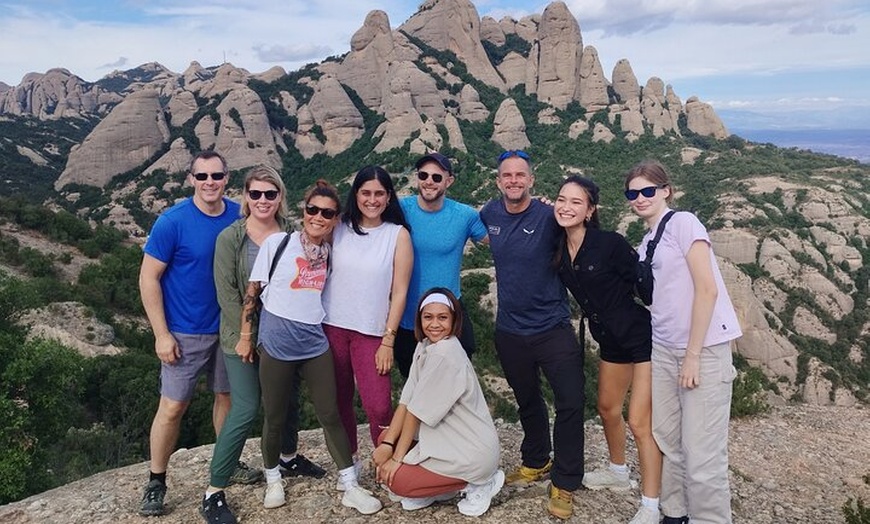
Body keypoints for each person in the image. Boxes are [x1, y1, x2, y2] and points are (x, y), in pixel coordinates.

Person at [238, 180, 382, 515]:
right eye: (312, 209)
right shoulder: (279, 243)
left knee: (330, 413)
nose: (318, 217)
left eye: (327, 213)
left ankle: (349, 483)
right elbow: (253, 291)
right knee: (274, 417)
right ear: (303, 210)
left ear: (335, 219)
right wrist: (246, 336)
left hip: (314, 343)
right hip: (275, 344)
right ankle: (274, 478)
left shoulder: (330, 252)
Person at [202, 166, 326, 524]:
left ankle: (287, 457)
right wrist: (246, 337)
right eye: (255, 194)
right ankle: (214, 491)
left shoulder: (292, 234)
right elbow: (227, 294)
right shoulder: (231, 238)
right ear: (245, 196)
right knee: (245, 407)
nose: (262, 201)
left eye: (270, 194)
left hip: (281, 337)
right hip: (238, 339)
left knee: (286, 400)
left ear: (280, 197)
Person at [624, 161, 742, 524]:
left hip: (701, 351)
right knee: (668, 440)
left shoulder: (684, 223)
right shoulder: (646, 242)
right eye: (633, 193)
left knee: (702, 454)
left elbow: (707, 288)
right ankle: (674, 513)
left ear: (665, 191)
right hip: (663, 349)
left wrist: (692, 355)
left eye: (647, 190)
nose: (640, 198)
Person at [479, 150, 586, 520]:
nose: (513, 180)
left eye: (520, 175)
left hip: (552, 327)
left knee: (570, 402)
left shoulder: (547, 215)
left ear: (531, 180)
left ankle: (565, 482)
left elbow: (583, 235)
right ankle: (537, 459)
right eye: (506, 175)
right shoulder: (489, 214)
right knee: (527, 400)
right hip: (510, 330)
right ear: (498, 181)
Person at [138, 151, 246, 516]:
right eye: (202, 176)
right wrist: (161, 334)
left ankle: (227, 460)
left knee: (226, 398)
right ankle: (156, 480)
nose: (210, 182)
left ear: (227, 177)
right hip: (184, 330)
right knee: (172, 407)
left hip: (228, 327)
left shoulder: (238, 214)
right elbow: (148, 278)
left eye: (216, 175)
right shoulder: (173, 222)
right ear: (191, 179)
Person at [553, 176, 662, 524]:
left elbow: (647, 286)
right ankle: (618, 471)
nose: (566, 207)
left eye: (576, 202)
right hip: (609, 340)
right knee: (607, 407)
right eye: (561, 200)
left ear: (590, 210)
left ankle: (651, 504)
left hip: (639, 338)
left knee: (639, 422)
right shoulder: (558, 247)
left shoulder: (610, 244)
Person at [373, 288, 504, 517]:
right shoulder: (425, 346)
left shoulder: (446, 354)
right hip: (447, 439)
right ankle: (439, 488)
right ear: (420, 319)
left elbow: (416, 413)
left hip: (470, 450)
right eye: (428, 317)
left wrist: (395, 460)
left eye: (442, 318)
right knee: (385, 439)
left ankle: (479, 483)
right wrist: (387, 445)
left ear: (454, 320)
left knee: (398, 482)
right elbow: (406, 402)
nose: (435, 324)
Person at [321, 165, 413, 466]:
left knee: (378, 405)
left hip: (372, 333)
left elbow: (399, 292)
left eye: (379, 194)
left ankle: (385, 460)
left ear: (388, 198)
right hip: (332, 327)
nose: (372, 200)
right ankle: (349, 462)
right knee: (338, 400)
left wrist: (389, 339)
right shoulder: (339, 227)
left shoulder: (397, 235)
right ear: (355, 194)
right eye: (365, 193)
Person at [394, 152, 488, 378]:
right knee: (414, 386)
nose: (429, 181)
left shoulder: (465, 215)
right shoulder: (399, 209)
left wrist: (542, 214)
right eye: (423, 175)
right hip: (409, 317)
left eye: (437, 177)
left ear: (449, 181)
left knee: (456, 382)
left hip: (450, 312)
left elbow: (500, 240)